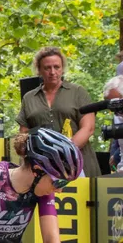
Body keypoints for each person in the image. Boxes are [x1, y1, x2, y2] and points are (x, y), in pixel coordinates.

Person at [16, 46, 100, 177]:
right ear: (39, 70)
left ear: (62, 68)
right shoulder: (29, 97)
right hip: (42, 167)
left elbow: (88, 128)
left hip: (77, 163)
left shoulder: (78, 92)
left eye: (57, 67)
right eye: (47, 68)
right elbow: (24, 134)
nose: (52, 72)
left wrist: (63, 153)